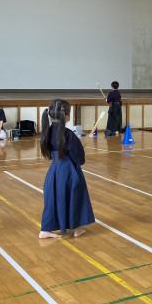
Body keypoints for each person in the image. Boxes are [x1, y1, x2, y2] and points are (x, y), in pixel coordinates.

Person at [39, 99, 95, 238]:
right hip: (69, 172)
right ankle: (77, 229)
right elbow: (80, 159)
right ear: (67, 116)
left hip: (54, 172)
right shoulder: (68, 134)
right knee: (75, 197)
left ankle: (45, 230)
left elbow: (50, 155)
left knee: (52, 200)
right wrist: (79, 150)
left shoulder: (47, 131)